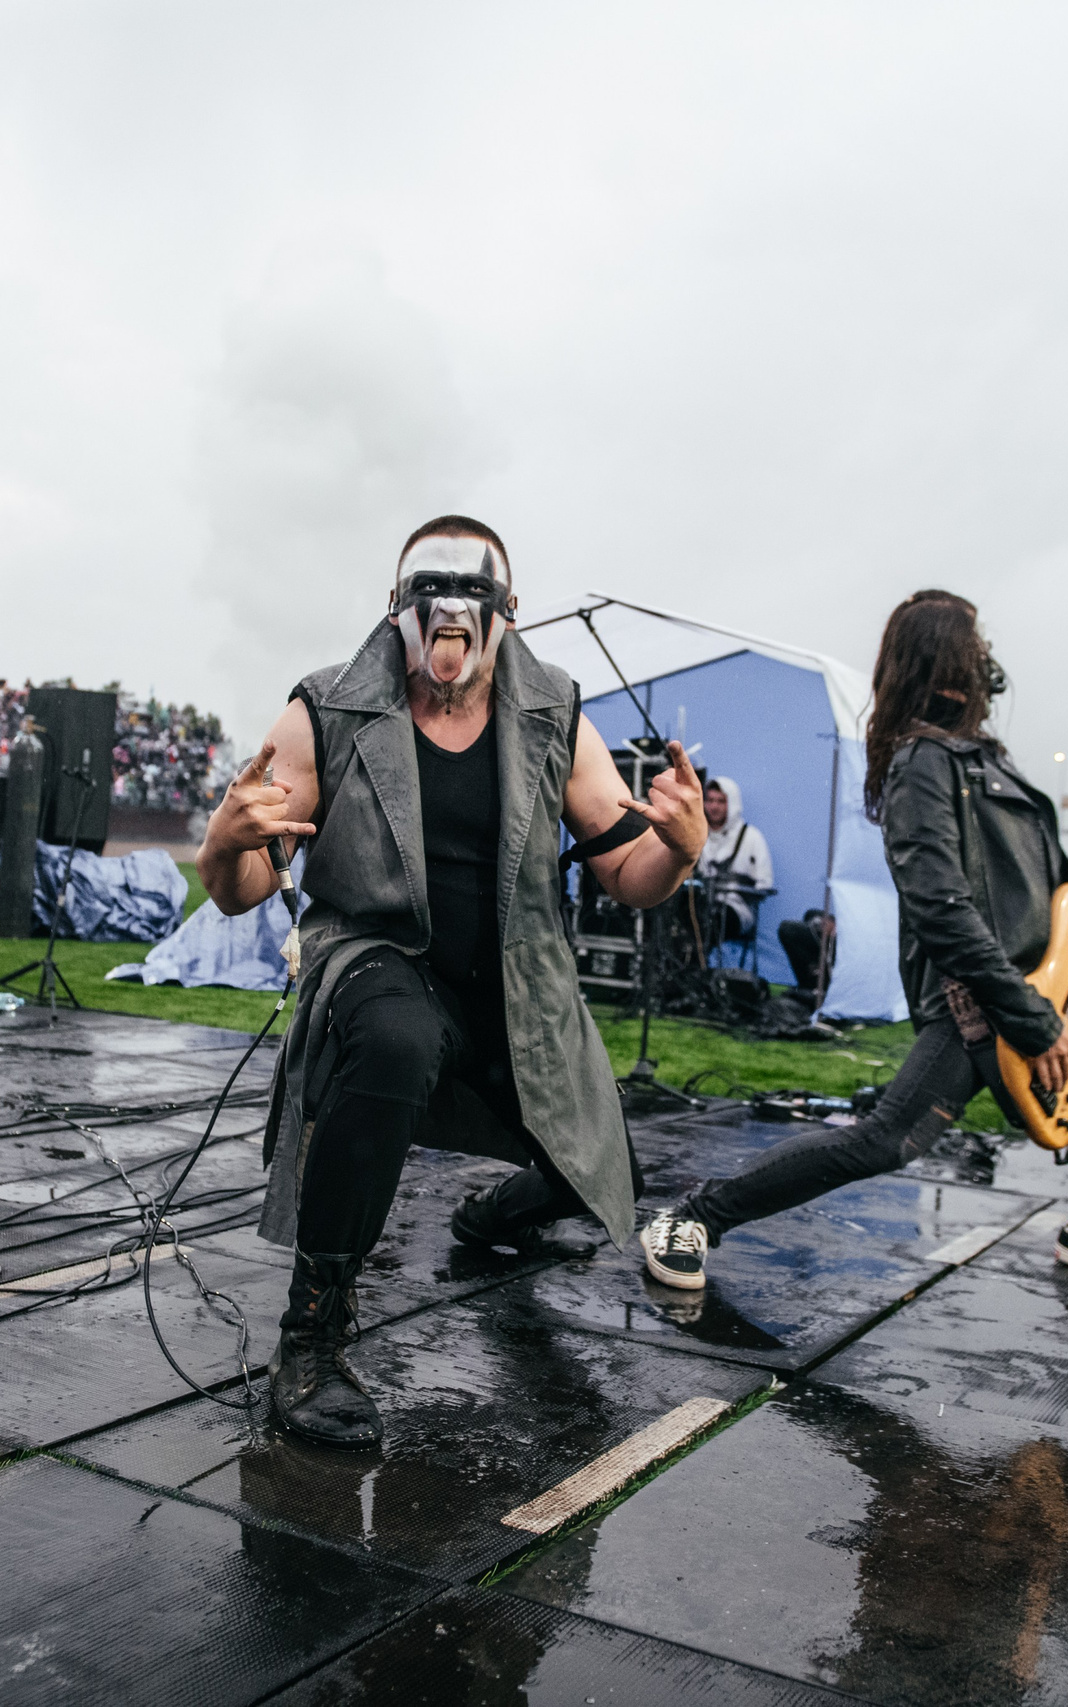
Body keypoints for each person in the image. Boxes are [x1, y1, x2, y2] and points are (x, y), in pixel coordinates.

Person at [199, 515, 707, 1450]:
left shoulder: (554, 711)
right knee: (394, 1038)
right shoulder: (329, 709)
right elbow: (241, 890)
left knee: (599, 1173)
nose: (451, 620)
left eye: (474, 601)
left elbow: (627, 872)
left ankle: (494, 1210)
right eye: (430, 599)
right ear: (398, 613)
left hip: (514, 987)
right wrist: (221, 848)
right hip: (378, 965)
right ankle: (310, 1338)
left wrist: (678, 852)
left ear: (506, 620)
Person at [638, 589, 1068, 1291]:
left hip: (1054, 993)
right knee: (884, 1140)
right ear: (946, 658)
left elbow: (1054, 908)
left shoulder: (989, 763)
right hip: (981, 1004)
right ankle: (694, 1216)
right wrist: (1034, 1023)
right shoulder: (924, 764)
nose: (988, 659)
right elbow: (942, 908)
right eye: (975, 644)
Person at [696, 775, 772, 954]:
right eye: (710, 800)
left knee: (713, 919)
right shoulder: (697, 835)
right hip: (702, 904)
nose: (714, 807)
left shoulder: (751, 838)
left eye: (721, 801)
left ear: (733, 803)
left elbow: (764, 884)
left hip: (736, 911)